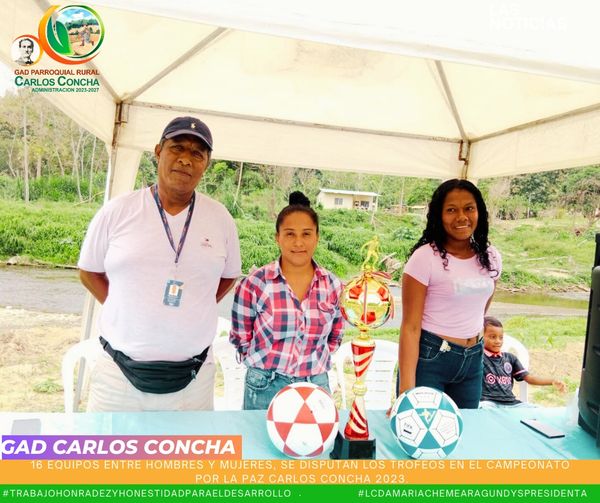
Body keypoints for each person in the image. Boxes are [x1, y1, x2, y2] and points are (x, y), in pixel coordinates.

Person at [78, 116, 241, 412]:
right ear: (158, 151)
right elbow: (89, 271)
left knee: (189, 446)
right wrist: (123, 305)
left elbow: (229, 276)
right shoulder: (117, 211)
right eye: (177, 147)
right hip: (117, 378)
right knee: (109, 445)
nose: (186, 159)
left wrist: (195, 304)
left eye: (197, 153)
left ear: (206, 164)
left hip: (194, 380)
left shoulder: (221, 219)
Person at [229, 191, 344, 410]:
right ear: (277, 237)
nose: (298, 242)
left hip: (315, 385)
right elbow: (241, 338)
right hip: (264, 386)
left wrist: (311, 364)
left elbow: (335, 337)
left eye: (306, 234)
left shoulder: (333, 285)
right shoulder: (255, 284)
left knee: (316, 435)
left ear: (317, 237)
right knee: (259, 435)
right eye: (290, 234)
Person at [398, 178, 502, 409]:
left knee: (467, 427)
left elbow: (481, 307)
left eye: (469, 208)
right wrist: (406, 391)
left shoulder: (491, 256)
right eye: (451, 210)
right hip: (431, 358)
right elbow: (410, 327)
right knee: (422, 426)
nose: (462, 217)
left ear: (479, 212)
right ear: (439, 215)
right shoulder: (424, 258)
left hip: (473, 359)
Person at [480, 316, 566, 408]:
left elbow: (530, 378)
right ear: (482, 337)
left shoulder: (510, 358)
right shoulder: (479, 358)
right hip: (488, 402)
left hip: (511, 403)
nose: (498, 341)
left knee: (537, 409)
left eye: (501, 337)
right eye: (493, 337)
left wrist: (552, 381)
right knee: (482, 408)